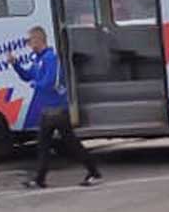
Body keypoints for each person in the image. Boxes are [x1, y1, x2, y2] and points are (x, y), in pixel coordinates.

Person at [7, 26, 101, 188]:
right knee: (43, 145)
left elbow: (51, 82)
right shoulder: (37, 59)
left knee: (71, 144)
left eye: (30, 41)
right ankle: (39, 179)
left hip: (58, 110)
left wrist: (35, 85)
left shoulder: (51, 59)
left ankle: (93, 172)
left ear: (39, 40)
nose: (28, 44)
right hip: (46, 110)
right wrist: (15, 65)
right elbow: (27, 75)